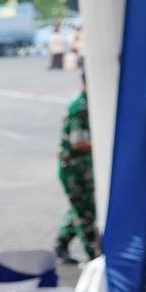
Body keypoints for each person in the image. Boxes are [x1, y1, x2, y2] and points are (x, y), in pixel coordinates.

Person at [55, 74, 98, 265]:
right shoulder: (81, 107)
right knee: (85, 214)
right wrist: (105, 146)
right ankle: (95, 256)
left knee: (81, 207)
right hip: (75, 171)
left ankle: (61, 243)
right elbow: (79, 142)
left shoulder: (85, 101)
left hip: (81, 169)